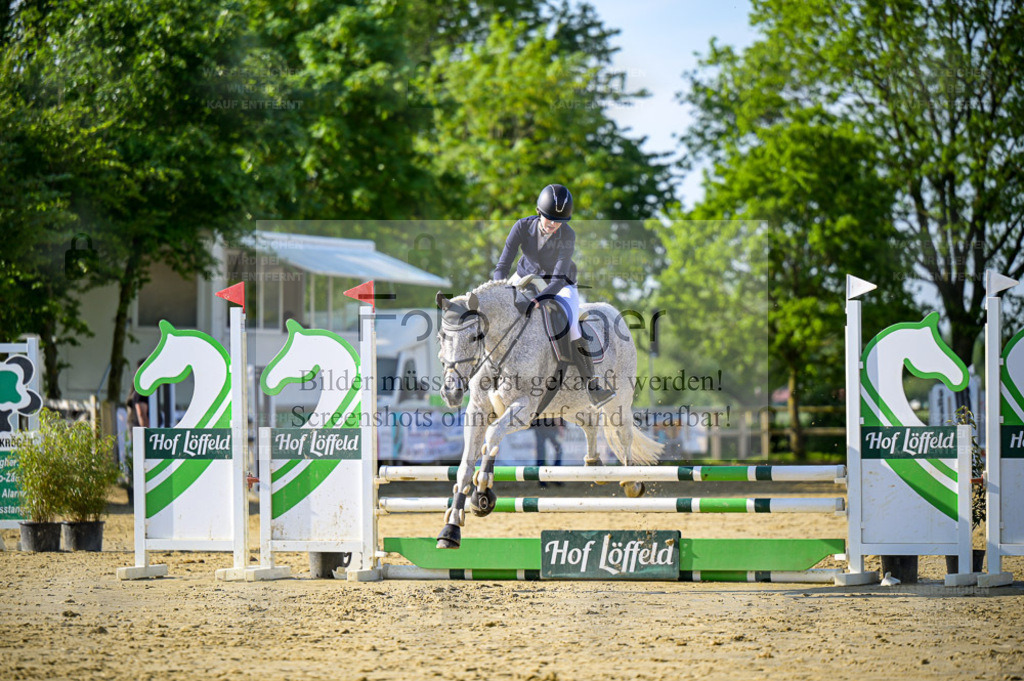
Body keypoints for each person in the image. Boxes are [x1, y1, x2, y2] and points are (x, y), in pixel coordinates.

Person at [492, 184, 614, 407]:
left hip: (560, 284)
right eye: (550, 219)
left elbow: (558, 279)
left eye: (559, 221)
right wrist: (500, 288)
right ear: (539, 212)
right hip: (525, 276)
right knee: (498, 310)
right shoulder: (521, 226)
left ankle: (592, 385)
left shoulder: (567, 234)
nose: (554, 225)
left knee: (573, 324)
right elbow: (502, 265)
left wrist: (537, 301)